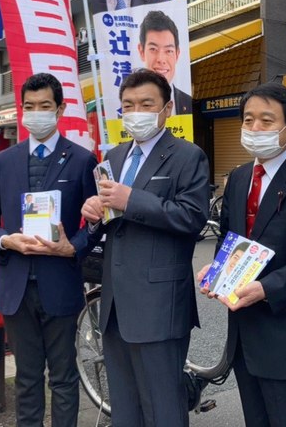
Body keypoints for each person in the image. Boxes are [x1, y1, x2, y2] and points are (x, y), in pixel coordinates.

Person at [196, 82, 286, 427]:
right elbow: (229, 239)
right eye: (248, 120)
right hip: (244, 337)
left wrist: (267, 289)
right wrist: (217, 269)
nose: (255, 129)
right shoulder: (239, 178)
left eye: (266, 121)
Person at [81, 69, 210, 427]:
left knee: (163, 407)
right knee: (124, 406)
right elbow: (111, 219)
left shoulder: (188, 155)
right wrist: (94, 214)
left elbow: (192, 218)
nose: (136, 112)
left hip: (160, 303)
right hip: (116, 304)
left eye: (146, 104)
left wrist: (131, 199)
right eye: (129, 105)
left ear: (166, 108)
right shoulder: (114, 156)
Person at [0, 73, 98, 427]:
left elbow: (94, 222)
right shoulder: (4, 161)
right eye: (29, 107)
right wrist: (6, 239)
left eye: (45, 106)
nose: (36, 113)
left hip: (59, 283)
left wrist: (71, 248)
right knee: (26, 379)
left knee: (63, 376)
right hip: (16, 287)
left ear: (60, 109)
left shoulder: (81, 160)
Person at [138, 10, 192, 115]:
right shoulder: (129, 106)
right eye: (153, 49)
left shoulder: (188, 103)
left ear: (177, 54)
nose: (161, 59)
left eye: (169, 51)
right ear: (141, 51)